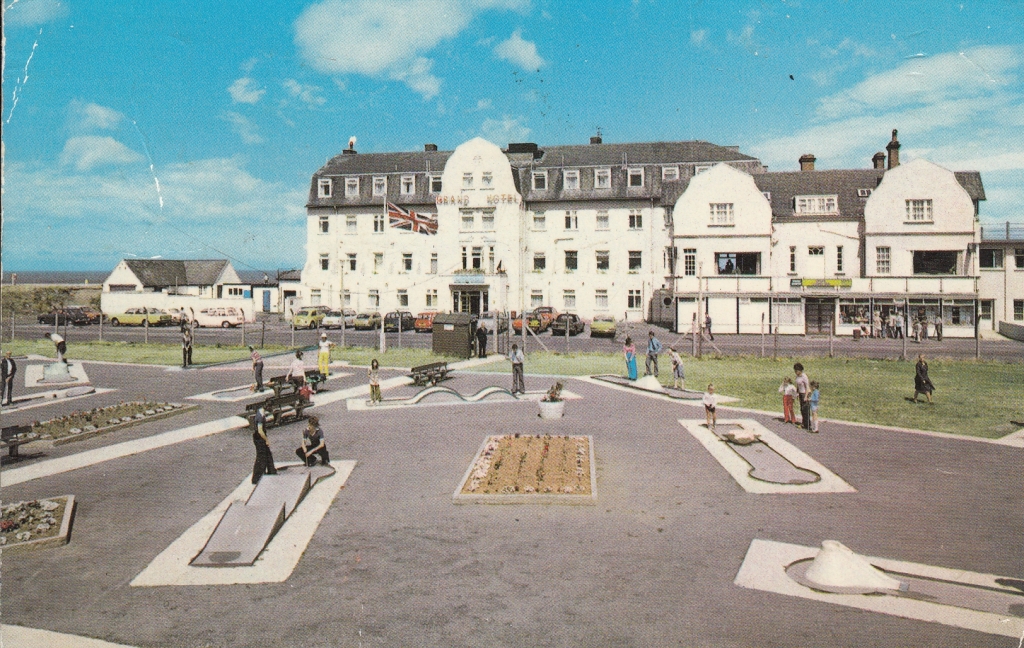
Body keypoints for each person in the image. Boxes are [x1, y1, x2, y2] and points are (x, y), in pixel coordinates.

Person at [251, 407, 277, 484]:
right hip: (259, 438)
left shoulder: (261, 413)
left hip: (261, 436)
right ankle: (256, 477)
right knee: (261, 457)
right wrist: (266, 440)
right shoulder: (260, 416)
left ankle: (271, 471)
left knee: (268, 454)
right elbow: (260, 431)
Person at [794, 362, 811, 430]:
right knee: (802, 409)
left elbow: (807, 387)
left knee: (806, 409)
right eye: (795, 371)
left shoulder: (804, 376)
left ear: (800, 370)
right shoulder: (797, 377)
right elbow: (798, 385)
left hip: (805, 393)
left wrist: (806, 396)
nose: (795, 372)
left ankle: (807, 425)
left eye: (796, 371)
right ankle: (803, 423)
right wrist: (797, 393)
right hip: (800, 393)